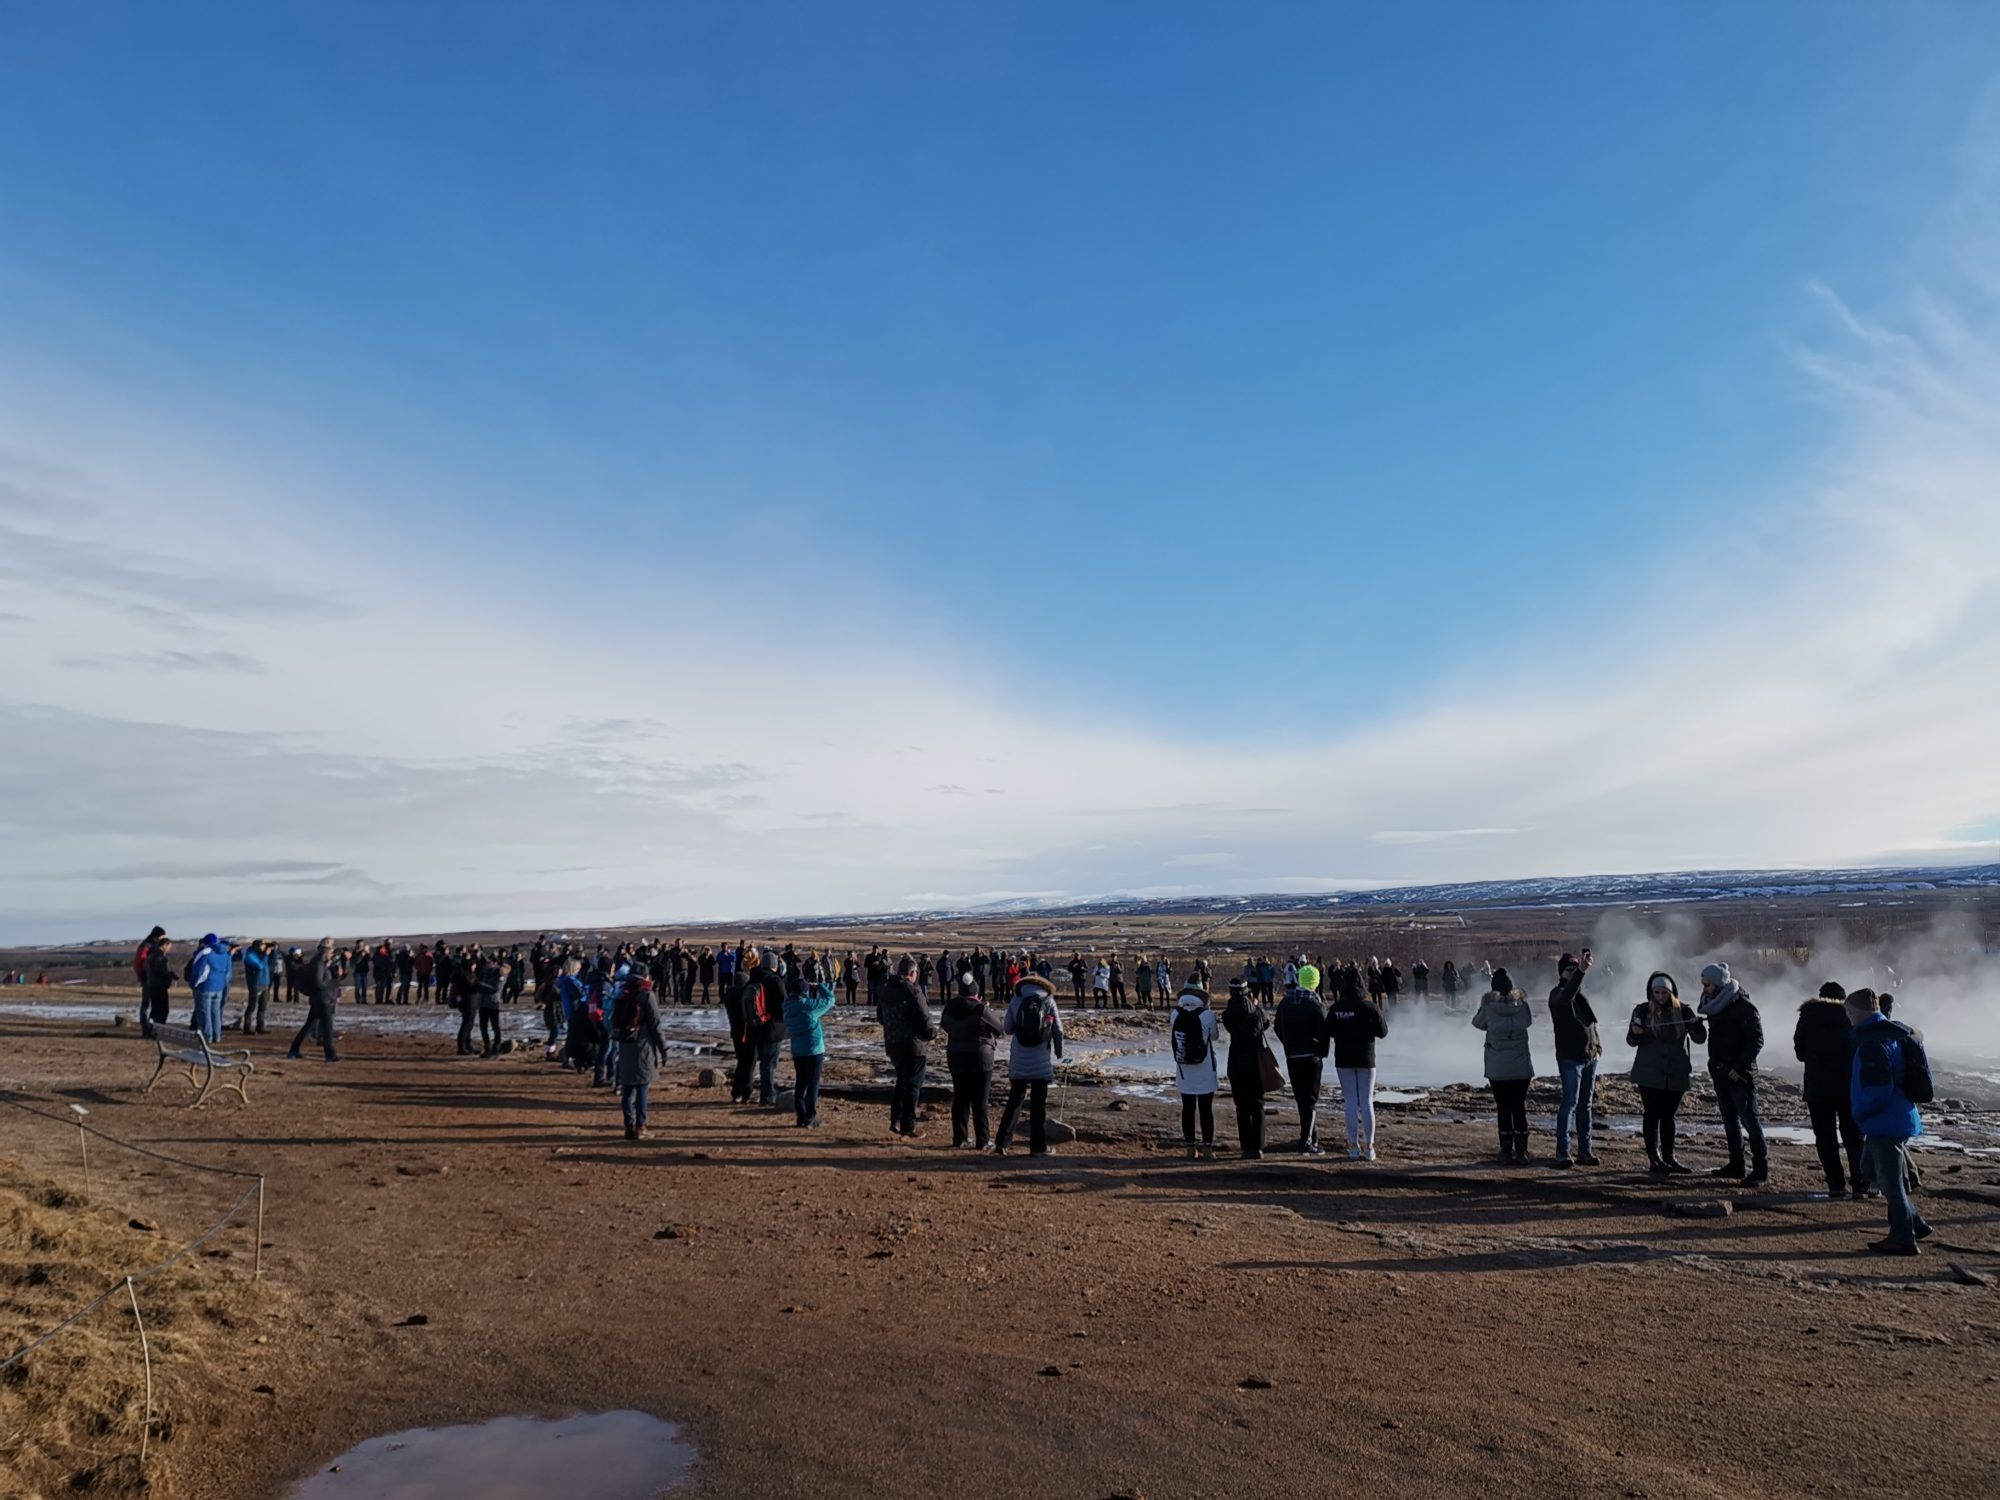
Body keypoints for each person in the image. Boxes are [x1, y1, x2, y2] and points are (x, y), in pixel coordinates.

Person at [1844, 987, 1935, 1256]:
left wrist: (1861, 1112)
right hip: (1896, 1117)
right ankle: (1914, 1223)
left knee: (1889, 1181)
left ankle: (1903, 1236)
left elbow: (1878, 1087)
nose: (1847, 1017)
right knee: (1871, 1169)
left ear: (1858, 1012)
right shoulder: (1889, 1034)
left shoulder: (1873, 1040)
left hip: (1884, 1121)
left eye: (1848, 1012)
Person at [1627, 971, 1705, 1174]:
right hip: (1649, 1071)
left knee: (1669, 1115)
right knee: (1652, 1114)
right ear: (1651, 992)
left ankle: (1669, 1158)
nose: (1660, 996)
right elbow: (1631, 1041)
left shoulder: (1684, 1011)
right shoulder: (1642, 1011)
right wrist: (1636, 1033)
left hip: (1676, 1071)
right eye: (1656, 992)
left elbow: (1699, 1039)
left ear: (1672, 992)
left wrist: (1697, 1027)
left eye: (1664, 993)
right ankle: (1654, 1158)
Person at [1698, 962, 1767, 1186]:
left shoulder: (1744, 1007)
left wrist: (1738, 1068)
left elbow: (1756, 1041)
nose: (1704, 989)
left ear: (1718, 984)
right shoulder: (1714, 1005)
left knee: (1750, 1122)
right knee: (1729, 1121)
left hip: (1741, 1075)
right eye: (1703, 984)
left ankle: (1760, 1170)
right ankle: (1736, 1165)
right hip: (1720, 1072)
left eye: (1707, 984)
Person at [1795, 980, 1865, 1200]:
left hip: (1817, 1087)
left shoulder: (1807, 1016)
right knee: (1853, 1136)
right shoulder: (1852, 1018)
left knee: (1825, 1137)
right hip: (1848, 1087)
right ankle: (1860, 1184)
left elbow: (1800, 1052)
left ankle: (1835, 1183)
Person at [995, 974, 1063, 1157]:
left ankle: (1002, 1143)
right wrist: (1059, 1052)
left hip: (1019, 1058)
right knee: (1038, 1105)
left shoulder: (1016, 1000)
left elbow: (1007, 1028)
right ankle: (1038, 1147)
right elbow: (1058, 1030)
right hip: (1040, 1058)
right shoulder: (1049, 1001)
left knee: (1015, 1100)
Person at [1326, 962, 1387, 1160]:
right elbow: (1383, 1032)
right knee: (1367, 1101)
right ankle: (1369, 1147)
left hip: (1343, 1059)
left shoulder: (1337, 1008)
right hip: (1366, 1059)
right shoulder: (1370, 1007)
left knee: (1350, 1102)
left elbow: (1327, 1031)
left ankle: (1353, 1147)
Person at [1473, 969, 1534, 1164]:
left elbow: (1477, 1023)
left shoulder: (1489, 1008)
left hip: (1497, 1068)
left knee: (1503, 1107)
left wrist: (1484, 1005)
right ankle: (1522, 1151)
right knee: (1519, 1107)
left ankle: (1506, 1151)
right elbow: (1529, 1022)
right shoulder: (1522, 1006)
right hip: (1521, 1067)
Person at [1547, 951, 1602, 1168]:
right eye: (1569, 969)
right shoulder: (1557, 994)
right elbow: (1567, 994)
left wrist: (1598, 1046)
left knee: (1585, 1106)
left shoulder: (1580, 996)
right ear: (1561, 972)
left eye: (1574, 969)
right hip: (1570, 1058)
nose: (1572, 972)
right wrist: (1581, 971)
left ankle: (1585, 1152)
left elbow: (1589, 1024)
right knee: (1569, 1103)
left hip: (1589, 1057)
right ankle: (1562, 1151)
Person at [940, 972, 1003, 1149]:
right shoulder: (980, 1009)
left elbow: (945, 1026)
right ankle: (983, 1140)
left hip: (956, 1055)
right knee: (980, 1100)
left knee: (960, 1097)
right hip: (980, 1056)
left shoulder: (949, 1007)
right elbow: (1000, 1029)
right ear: (976, 994)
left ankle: (960, 1138)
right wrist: (986, 1008)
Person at [1273, 970, 1329, 1155]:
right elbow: (1324, 1032)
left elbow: (1277, 1027)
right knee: (1310, 1100)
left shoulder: (1286, 1002)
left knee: (1301, 1099)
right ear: (1316, 982)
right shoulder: (1315, 1003)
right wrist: (1322, 1052)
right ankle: (1306, 1141)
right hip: (1311, 1057)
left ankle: (1310, 1137)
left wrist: (1288, 1045)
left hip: (1293, 1057)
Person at [879, 957, 936, 1137]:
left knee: (902, 1081)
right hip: (913, 1045)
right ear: (912, 973)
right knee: (913, 1085)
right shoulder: (913, 991)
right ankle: (908, 1125)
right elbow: (924, 1019)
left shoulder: (886, 990)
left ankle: (895, 1119)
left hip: (893, 1044)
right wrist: (931, 1034)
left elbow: (880, 1017)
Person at [611, 970, 668, 1140]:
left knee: (627, 1088)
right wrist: (663, 1048)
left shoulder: (622, 993)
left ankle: (628, 1127)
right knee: (642, 1086)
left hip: (624, 1044)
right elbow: (656, 1025)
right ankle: (641, 1126)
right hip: (643, 1045)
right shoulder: (646, 995)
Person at [1220, 977, 1271, 1159]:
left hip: (1236, 1064)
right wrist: (1255, 1004)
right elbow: (1266, 1024)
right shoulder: (1256, 1012)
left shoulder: (1227, 1014)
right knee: (1258, 1104)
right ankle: (1258, 1146)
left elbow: (1230, 1023)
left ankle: (1246, 1146)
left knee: (1241, 1107)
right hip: (1255, 1063)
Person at [1171, 980, 1221, 1160]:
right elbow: (1215, 1037)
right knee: (1206, 1109)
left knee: (1188, 1108)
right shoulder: (1207, 1014)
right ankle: (1208, 1148)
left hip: (1184, 1069)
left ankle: (1190, 1148)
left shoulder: (1175, 1014)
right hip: (1205, 1067)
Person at [783, 977, 837, 1128]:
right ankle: (811, 1116)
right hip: (813, 1049)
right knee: (813, 1083)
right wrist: (820, 986)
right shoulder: (809, 1006)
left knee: (801, 1083)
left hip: (797, 1051)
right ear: (805, 991)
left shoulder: (787, 1007)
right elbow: (830, 1000)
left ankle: (801, 1116)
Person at [736, 949, 787, 1107]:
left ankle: (754, 1092)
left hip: (756, 1027)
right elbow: (783, 1004)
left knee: (761, 1063)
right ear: (774, 965)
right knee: (769, 1064)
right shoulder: (775, 980)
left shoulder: (753, 978)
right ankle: (767, 1096)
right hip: (772, 1028)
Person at [287, 939, 340, 1063]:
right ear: (326, 951)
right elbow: (318, 982)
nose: (332, 953)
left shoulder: (321, 962)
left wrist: (335, 974)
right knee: (327, 1027)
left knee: (309, 1026)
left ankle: (294, 1050)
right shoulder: (318, 963)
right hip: (322, 999)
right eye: (331, 951)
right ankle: (330, 1054)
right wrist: (334, 982)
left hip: (321, 998)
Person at [187, 933, 232, 1045]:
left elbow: (199, 971)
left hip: (205, 986)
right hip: (219, 987)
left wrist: (194, 984)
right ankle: (217, 1036)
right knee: (215, 1012)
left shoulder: (205, 953)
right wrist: (223, 984)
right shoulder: (226, 954)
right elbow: (228, 972)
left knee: (204, 1013)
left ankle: (207, 1037)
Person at [140, 929, 173, 1038]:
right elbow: (161, 971)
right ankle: (158, 1031)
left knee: (155, 1010)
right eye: (169, 947)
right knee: (162, 1010)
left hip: (153, 985)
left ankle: (151, 1030)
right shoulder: (159, 957)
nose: (169, 950)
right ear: (164, 945)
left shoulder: (151, 955)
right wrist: (169, 976)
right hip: (159, 986)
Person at [239, 940, 272, 1034]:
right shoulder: (250, 956)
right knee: (252, 1006)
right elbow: (259, 966)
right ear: (257, 946)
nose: (264, 947)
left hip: (265, 983)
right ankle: (247, 1028)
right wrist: (265, 955)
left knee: (263, 1006)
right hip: (255, 984)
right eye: (263, 945)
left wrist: (271, 951)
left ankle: (260, 1027)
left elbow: (271, 962)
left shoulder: (261, 954)